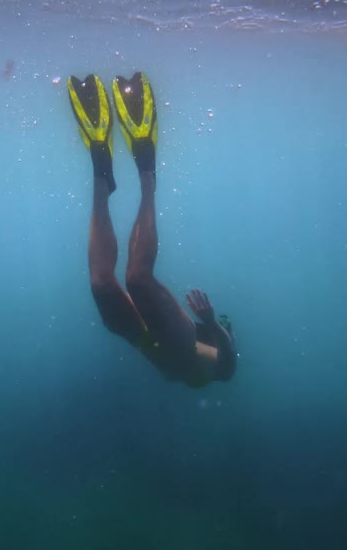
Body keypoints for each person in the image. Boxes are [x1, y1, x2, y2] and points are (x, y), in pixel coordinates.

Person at [68, 71, 236, 388]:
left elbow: (227, 369)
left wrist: (213, 325)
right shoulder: (216, 359)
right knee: (137, 279)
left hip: (142, 340)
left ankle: (100, 164)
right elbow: (229, 367)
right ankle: (147, 171)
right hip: (176, 340)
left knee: (101, 284)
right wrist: (211, 323)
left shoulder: (213, 365)